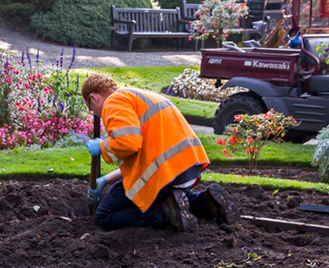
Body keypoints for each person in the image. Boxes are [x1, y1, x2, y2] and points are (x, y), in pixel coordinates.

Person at [82, 73, 238, 232]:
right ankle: (205, 202)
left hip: (164, 175)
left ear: (94, 98)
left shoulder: (113, 102)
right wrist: (105, 180)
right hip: (186, 168)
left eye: (92, 109)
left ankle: (163, 213)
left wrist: (102, 146)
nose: (96, 114)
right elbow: (141, 160)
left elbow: (129, 143)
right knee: (174, 198)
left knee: (104, 215)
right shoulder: (137, 97)